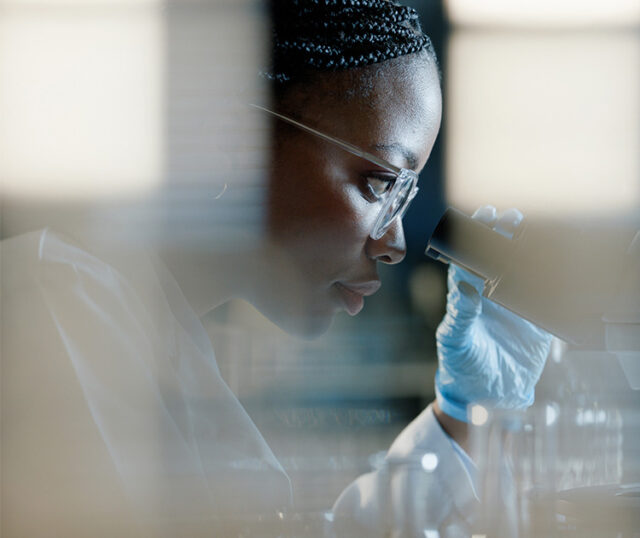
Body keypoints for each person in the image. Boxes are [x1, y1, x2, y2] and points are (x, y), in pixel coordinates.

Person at [0, 1, 551, 535]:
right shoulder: (54, 308)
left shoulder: (154, 332)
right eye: (382, 183)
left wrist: (464, 418)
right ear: (237, 143)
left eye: (406, 198)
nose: (395, 244)